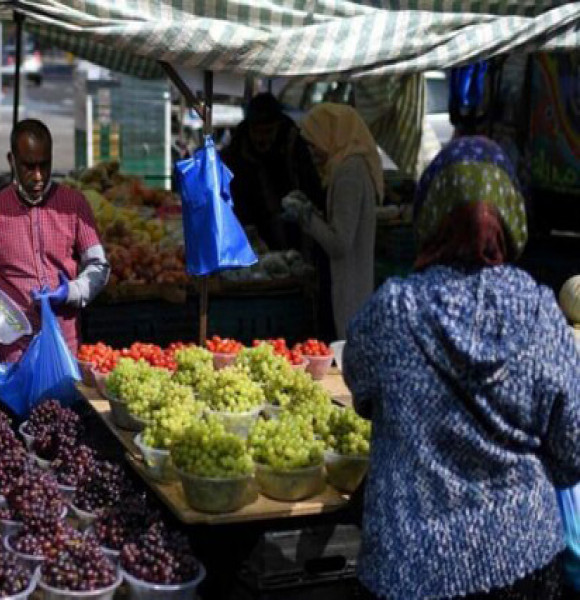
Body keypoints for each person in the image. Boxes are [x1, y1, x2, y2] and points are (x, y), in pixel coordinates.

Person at [344, 136, 580, 600]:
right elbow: (573, 452)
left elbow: (361, 390)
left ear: (430, 217)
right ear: (513, 216)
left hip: (409, 568)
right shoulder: (541, 314)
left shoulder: (392, 311)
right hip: (525, 559)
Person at [0, 119, 110, 363]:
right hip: (12, 353)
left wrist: (71, 292)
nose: (38, 176)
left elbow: (99, 267)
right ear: (11, 161)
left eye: (44, 165)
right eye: (28, 166)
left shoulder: (75, 206)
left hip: (64, 350)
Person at [280, 103, 382, 339]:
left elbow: (339, 243)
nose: (313, 150)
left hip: (347, 292)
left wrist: (306, 217)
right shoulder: (344, 167)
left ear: (331, 133)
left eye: (314, 141)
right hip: (349, 289)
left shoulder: (349, 173)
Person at [221, 93, 323, 251]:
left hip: (296, 233)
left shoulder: (295, 146)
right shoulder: (236, 151)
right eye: (256, 131)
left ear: (278, 127)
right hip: (253, 234)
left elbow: (311, 187)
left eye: (268, 131)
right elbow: (231, 195)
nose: (261, 138)